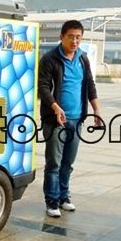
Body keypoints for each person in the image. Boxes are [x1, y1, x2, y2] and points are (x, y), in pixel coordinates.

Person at [38, 20, 102, 218]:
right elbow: (43, 87)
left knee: (68, 163)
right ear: (61, 37)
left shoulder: (83, 59)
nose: (75, 41)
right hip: (55, 120)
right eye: (71, 37)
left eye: (78, 37)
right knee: (54, 163)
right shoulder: (49, 59)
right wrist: (55, 107)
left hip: (77, 119)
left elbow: (90, 84)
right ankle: (52, 201)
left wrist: (96, 110)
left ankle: (64, 197)